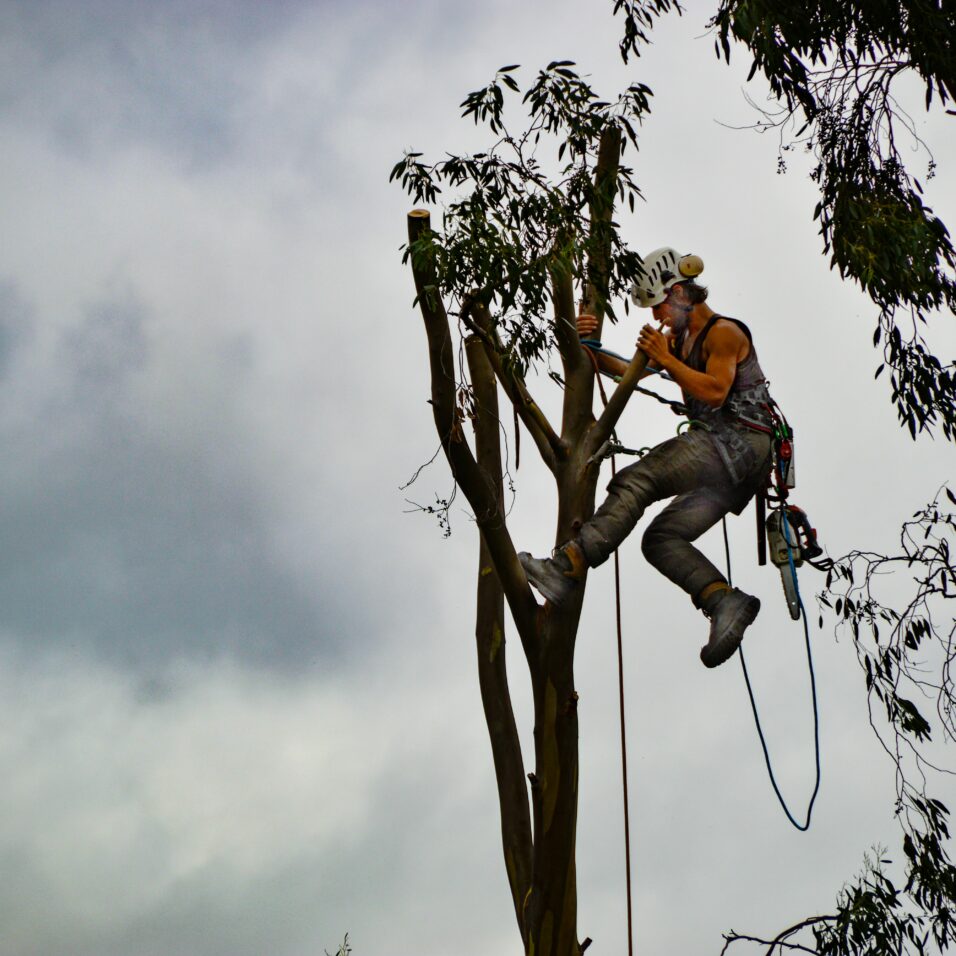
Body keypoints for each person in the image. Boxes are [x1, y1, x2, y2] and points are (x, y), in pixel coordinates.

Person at [519, 248, 776, 667]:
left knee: (639, 479)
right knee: (660, 539)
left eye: (659, 304)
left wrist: (667, 358)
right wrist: (585, 345)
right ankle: (723, 600)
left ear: (678, 292)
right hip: (731, 464)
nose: (657, 316)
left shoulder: (723, 333)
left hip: (739, 442)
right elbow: (631, 369)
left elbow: (714, 391)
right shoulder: (679, 342)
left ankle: (567, 565)